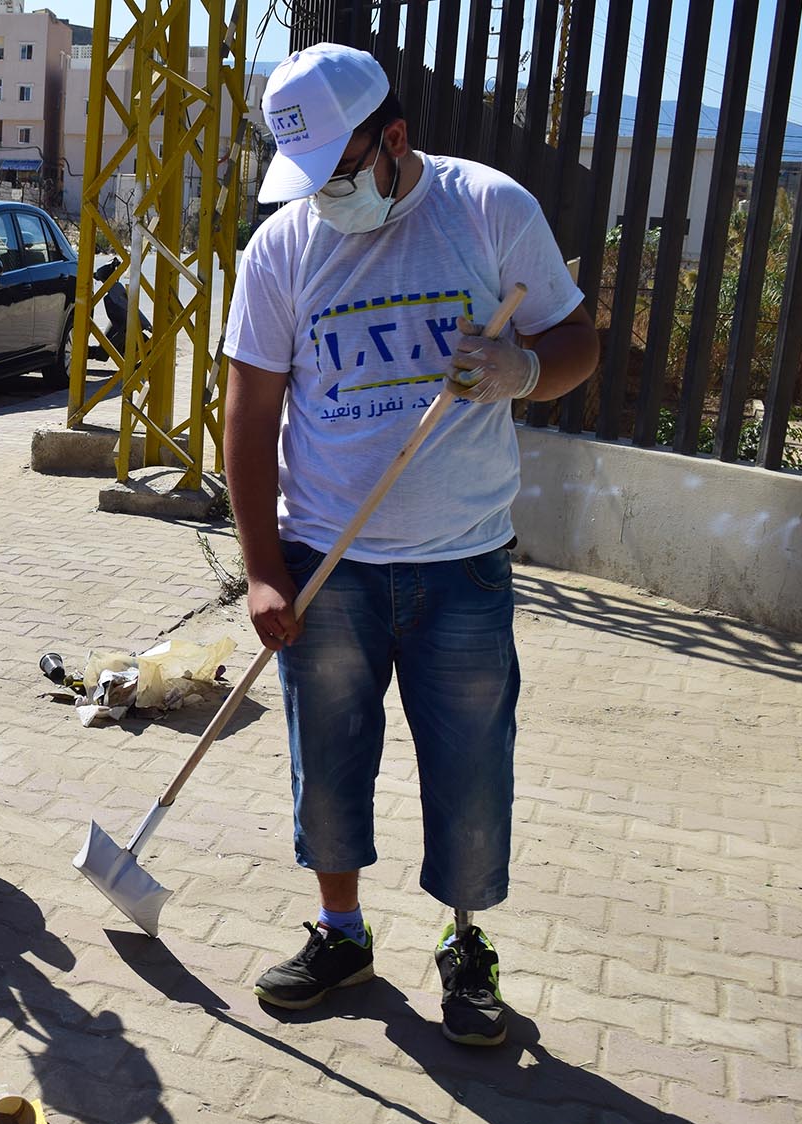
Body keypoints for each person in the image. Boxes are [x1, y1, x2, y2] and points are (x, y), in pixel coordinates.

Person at [221, 45, 599, 1045]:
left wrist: (519, 368)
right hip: (326, 562)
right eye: (307, 182)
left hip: (462, 560)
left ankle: (464, 944)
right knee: (327, 760)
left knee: (471, 763)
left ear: (393, 139)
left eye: (338, 174)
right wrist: (262, 568)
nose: (323, 200)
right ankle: (339, 930)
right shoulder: (281, 250)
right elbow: (247, 415)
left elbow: (574, 344)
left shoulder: (487, 211)